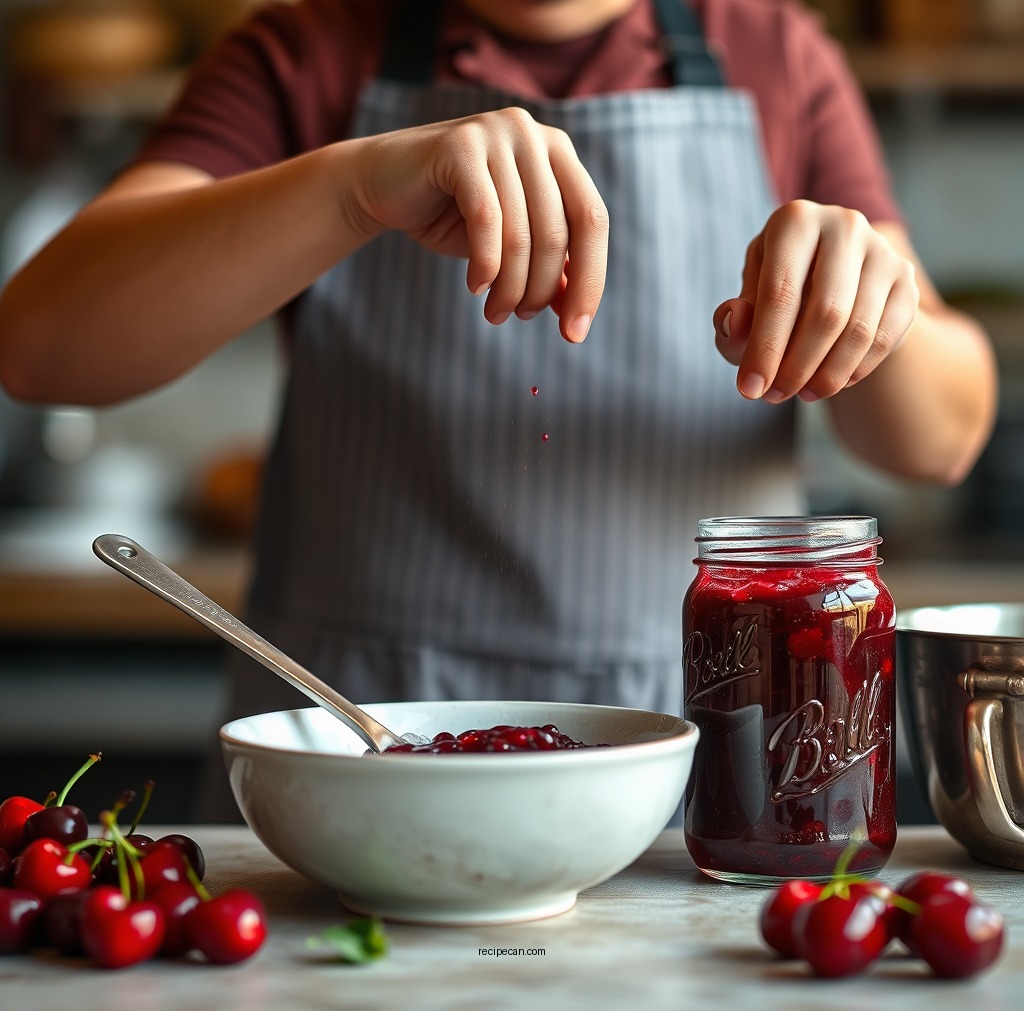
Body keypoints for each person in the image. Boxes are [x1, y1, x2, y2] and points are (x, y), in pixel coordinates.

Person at [0, 0, 997, 819]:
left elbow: (940, 440)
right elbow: (41, 348)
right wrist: (351, 190)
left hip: (701, 777)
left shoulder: (777, 53)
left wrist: (878, 310)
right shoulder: (304, 51)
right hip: (357, 761)